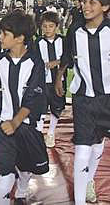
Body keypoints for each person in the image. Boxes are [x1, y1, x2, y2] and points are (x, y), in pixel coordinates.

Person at [55, 0, 110, 205]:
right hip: (83, 98)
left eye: (92, 2)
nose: (85, 6)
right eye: (84, 1)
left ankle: (89, 179)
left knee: (99, 142)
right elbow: (66, 58)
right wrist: (58, 78)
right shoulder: (75, 30)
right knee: (82, 147)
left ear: (106, 7)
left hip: (109, 98)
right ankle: (80, 200)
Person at [0, 10, 49, 205]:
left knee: (25, 168)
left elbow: (34, 99)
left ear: (20, 38)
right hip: (3, 125)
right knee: (3, 176)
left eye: (4, 34)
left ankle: (22, 192)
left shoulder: (35, 63)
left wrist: (16, 122)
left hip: (28, 124)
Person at [34, 11, 66, 148]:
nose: (48, 29)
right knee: (40, 108)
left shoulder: (63, 41)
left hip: (59, 80)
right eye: (45, 26)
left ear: (57, 27)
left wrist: (57, 62)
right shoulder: (38, 42)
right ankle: (38, 133)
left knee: (56, 106)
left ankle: (51, 133)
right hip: (42, 81)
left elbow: (69, 59)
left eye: (51, 26)